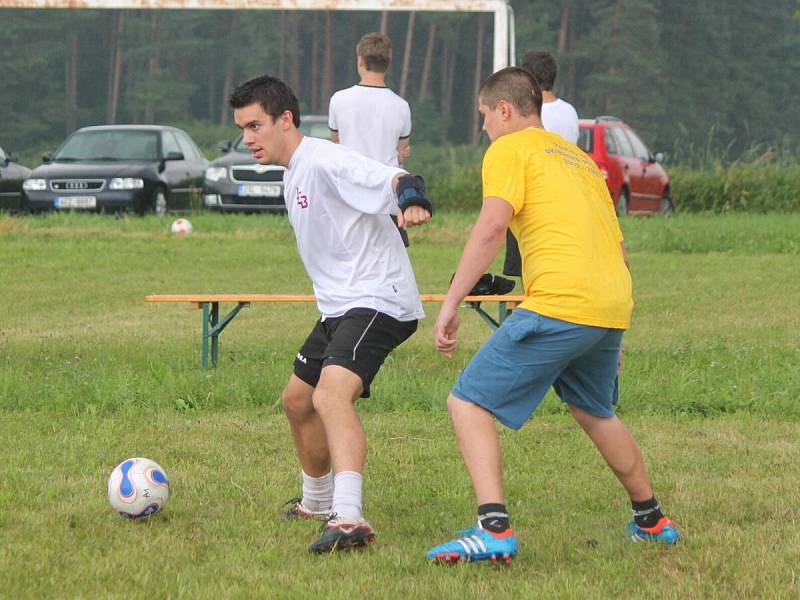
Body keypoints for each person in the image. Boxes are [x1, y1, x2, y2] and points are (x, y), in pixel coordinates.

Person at [426, 67, 680, 565]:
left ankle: (493, 529)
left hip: (560, 303)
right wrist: (613, 330)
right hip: (608, 305)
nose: (483, 129)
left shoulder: (508, 149)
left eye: (484, 116)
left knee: (467, 403)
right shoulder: (582, 161)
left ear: (504, 109)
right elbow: (619, 249)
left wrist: (451, 302)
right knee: (595, 410)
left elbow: (491, 227)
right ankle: (652, 521)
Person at [229, 74, 432, 554]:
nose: (247, 138)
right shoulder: (295, 170)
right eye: (242, 128)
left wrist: (412, 196)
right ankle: (316, 502)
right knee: (297, 401)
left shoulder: (324, 159)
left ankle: (349, 518)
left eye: (255, 125)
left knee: (331, 395)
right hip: (341, 306)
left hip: (380, 297)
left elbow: (390, 177)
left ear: (286, 119)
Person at [328, 32, 412, 245]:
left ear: (361, 61)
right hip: (387, 193)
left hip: (349, 191)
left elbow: (335, 144)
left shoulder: (339, 100)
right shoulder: (401, 106)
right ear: (388, 63)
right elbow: (402, 154)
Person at [503, 50, 580, 278]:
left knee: (528, 271)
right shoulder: (570, 112)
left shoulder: (528, 115)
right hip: (565, 196)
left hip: (532, 199)